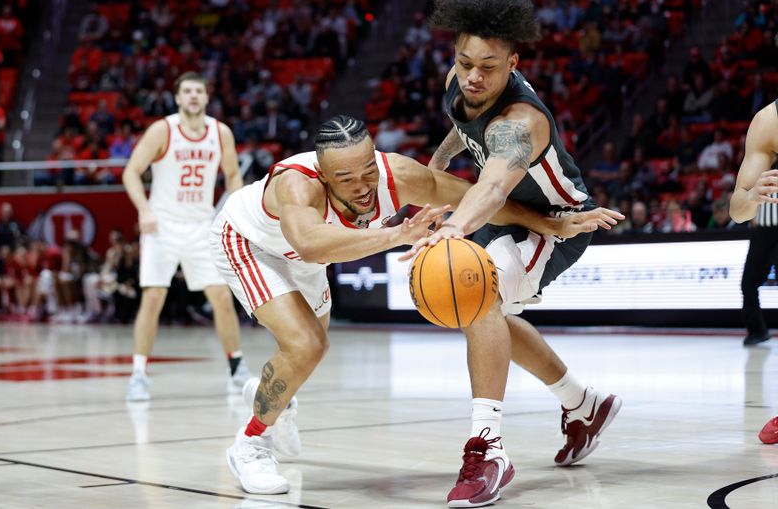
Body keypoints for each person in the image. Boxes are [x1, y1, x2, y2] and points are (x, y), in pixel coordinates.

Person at [211, 115, 623, 495]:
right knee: (306, 347)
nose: (362, 185)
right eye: (346, 178)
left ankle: (272, 395)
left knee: (306, 352)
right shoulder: (297, 185)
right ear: (323, 175)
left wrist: (549, 224)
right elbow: (309, 242)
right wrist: (395, 236)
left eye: (368, 170)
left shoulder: (397, 174)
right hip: (253, 245)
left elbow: (475, 195)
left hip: (312, 258)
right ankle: (249, 445)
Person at [403, 0, 623, 507]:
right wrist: (438, 163)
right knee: (486, 309)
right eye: (465, 62)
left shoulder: (520, 123)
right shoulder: (459, 83)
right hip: (502, 217)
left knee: (478, 293)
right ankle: (581, 404)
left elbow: (494, 184)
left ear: (514, 64)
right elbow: (462, 129)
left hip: (554, 225)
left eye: (490, 67)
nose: (475, 77)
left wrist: (453, 228)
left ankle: (490, 445)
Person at [122, 71, 251, 401]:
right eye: (187, 91)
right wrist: (144, 209)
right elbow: (131, 172)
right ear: (177, 98)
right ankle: (138, 373)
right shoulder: (162, 130)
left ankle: (236, 368)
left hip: (202, 225)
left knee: (222, 298)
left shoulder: (220, 132)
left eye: (199, 91)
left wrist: (232, 212)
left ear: (206, 97)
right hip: (162, 225)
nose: (193, 96)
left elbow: (233, 173)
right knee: (153, 298)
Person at [729, 98, 778, 445]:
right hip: (768, 226)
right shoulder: (769, 121)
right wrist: (753, 197)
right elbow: (737, 207)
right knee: (749, 283)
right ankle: (757, 331)